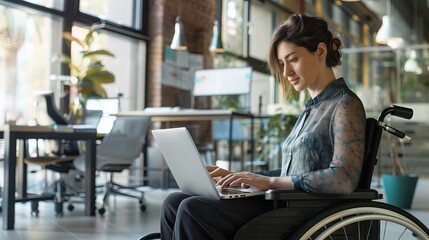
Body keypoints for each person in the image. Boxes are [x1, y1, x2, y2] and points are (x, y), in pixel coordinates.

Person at [159, 13, 366, 240]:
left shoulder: (344, 104)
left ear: (320, 52)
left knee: (192, 210)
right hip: (284, 201)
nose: (286, 73)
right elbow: (295, 173)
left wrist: (269, 182)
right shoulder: (314, 107)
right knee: (173, 203)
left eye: (293, 59)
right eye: (281, 63)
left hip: (302, 211)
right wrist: (241, 177)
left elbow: (343, 178)